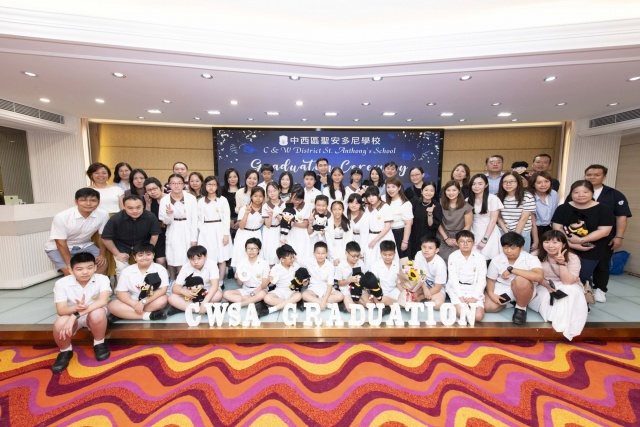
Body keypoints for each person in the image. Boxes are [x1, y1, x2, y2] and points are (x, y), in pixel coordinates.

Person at [569, 164, 632, 303]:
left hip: (605, 236)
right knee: (577, 262)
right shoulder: (576, 192)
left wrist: (619, 236)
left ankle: (600, 289)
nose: (592, 177)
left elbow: (621, 217)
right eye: (589, 175)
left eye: (597, 175)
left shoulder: (614, 194)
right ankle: (581, 288)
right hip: (577, 236)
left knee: (602, 263)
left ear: (604, 177)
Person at [51, 252, 111, 373]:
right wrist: (75, 310)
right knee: (60, 323)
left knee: (98, 313)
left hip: (91, 314)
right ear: (71, 270)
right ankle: (65, 351)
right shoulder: (61, 283)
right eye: (79, 269)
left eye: (89, 268)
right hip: (71, 315)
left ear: (95, 267)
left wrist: (75, 316)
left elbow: (103, 301)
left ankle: (99, 343)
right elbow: (61, 310)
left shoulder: (102, 279)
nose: (85, 272)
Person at [552, 180, 615, 291]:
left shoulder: (604, 209)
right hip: (567, 247)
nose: (580, 195)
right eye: (576, 192)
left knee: (583, 275)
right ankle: (566, 296)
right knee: (565, 273)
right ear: (571, 193)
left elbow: (604, 231)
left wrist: (581, 240)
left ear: (592, 193)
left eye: (585, 192)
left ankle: (584, 296)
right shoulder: (563, 208)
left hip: (592, 248)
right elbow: (557, 227)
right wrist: (570, 243)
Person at [528, 230, 588, 340]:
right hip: (543, 284)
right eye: (547, 242)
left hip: (568, 283)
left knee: (570, 290)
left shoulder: (572, 257)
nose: (550, 246)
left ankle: (570, 326)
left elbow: (568, 282)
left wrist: (561, 263)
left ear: (563, 244)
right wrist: (547, 285)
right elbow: (533, 276)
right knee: (550, 296)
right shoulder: (535, 256)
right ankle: (561, 324)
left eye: (555, 242)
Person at [45, 187, 109, 276]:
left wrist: (102, 254)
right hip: (58, 247)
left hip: (85, 245)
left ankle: (94, 285)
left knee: (102, 264)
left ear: (98, 202)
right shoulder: (61, 217)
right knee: (70, 272)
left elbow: (102, 235)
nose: (88, 204)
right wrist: (69, 263)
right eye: (83, 200)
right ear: (76, 202)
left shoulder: (103, 214)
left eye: (93, 200)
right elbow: (60, 243)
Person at [485, 232, 544, 325]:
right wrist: (491, 294)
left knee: (520, 280)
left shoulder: (531, 258)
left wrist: (513, 270)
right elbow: (490, 280)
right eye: (505, 247)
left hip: (524, 288)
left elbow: (539, 276)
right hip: (503, 287)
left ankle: (521, 308)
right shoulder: (497, 259)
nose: (508, 251)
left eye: (512, 248)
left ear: (521, 248)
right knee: (489, 307)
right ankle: (511, 303)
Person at [102, 195, 161, 279]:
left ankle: (144, 286)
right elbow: (106, 238)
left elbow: (154, 235)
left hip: (142, 244)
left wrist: (149, 251)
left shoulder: (150, 216)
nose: (135, 211)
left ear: (143, 206)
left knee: (147, 266)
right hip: (121, 245)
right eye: (130, 208)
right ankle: (122, 286)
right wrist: (117, 254)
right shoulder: (116, 218)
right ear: (124, 207)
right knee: (122, 268)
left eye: (138, 207)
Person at [106, 243, 168, 321]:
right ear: (135, 257)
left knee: (163, 300)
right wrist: (134, 304)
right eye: (140, 255)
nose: (144, 258)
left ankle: (125, 313)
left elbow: (162, 290)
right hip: (132, 300)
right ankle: (150, 315)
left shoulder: (160, 269)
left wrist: (143, 302)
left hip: (151, 300)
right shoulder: (127, 271)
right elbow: (121, 292)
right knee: (112, 305)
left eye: (148, 254)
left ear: (153, 255)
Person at [159, 174, 199, 281]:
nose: (176, 186)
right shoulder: (164, 200)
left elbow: (195, 219)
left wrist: (194, 238)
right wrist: (169, 215)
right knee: (172, 254)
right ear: (169, 185)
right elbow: (165, 221)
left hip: (187, 228)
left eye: (179, 183)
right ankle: (172, 279)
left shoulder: (191, 198)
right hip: (173, 228)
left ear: (183, 185)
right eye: (173, 183)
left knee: (187, 255)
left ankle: (187, 280)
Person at [167, 245, 222, 316]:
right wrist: (184, 291)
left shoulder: (211, 264)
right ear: (189, 259)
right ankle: (206, 309)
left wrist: (204, 302)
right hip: (192, 295)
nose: (196, 262)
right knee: (171, 298)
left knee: (218, 295)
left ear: (205, 256)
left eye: (199, 258)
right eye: (192, 259)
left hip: (207, 293)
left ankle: (186, 308)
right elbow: (175, 288)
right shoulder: (186, 267)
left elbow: (214, 286)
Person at [446, 231, 487, 321]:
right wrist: (460, 296)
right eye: (462, 241)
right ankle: (457, 305)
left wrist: (475, 297)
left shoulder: (480, 257)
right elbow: (453, 278)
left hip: (473, 288)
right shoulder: (453, 256)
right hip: (457, 288)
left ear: (474, 243)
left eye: (468, 241)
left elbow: (482, 279)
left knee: (478, 317)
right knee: (462, 314)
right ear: (457, 243)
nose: (465, 244)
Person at [198, 176, 233, 280]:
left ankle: (221, 280)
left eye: (213, 184)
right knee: (208, 257)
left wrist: (226, 234)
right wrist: (202, 229)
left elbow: (226, 218)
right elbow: (198, 218)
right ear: (204, 186)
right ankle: (209, 280)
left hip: (220, 229)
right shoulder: (201, 201)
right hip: (206, 230)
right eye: (209, 184)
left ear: (217, 186)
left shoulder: (223, 200)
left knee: (221, 257)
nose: (211, 187)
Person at [257, 244, 304, 317]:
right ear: (282, 259)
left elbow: (301, 279)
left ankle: (271, 309)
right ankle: (293, 303)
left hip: (292, 291)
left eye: (293, 257)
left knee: (298, 295)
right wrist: (269, 280)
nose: (293, 259)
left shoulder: (296, 266)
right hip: (280, 291)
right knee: (267, 298)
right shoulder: (276, 268)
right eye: (290, 258)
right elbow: (272, 283)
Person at [497, 171, 536, 252]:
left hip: (522, 233)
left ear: (518, 182)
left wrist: (514, 236)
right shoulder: (498, 196)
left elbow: (523, 219)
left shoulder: (527, 196)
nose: (508, 184)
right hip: (503, 232)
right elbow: (498, 217)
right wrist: (507, 233)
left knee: (521, 257)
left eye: (511, 181)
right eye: (505, 182)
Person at [223, 238, 270, 306]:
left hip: (259, 290)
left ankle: (241, 304)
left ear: (259, 250)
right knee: (226, 294)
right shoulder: (242, 263)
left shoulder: (264, 263)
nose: (251, 251)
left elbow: (264, 285)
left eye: (254, 248)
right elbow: (240, 283)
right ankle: (252, 301)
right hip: (245, 290)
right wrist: (238, 278)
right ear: (246, 250)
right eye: (249, 248)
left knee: (262, 294)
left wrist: (251, 294)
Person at [468, 174, 503, 261]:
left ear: (486, 185)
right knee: (474, 259)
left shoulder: (493, 199)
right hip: (474, 231)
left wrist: (484, 239)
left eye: (480, 184)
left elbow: (493, 220)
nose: (476, 186)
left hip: (490, 232)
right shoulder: (468, 200)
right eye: (474, 184)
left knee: (489, 259)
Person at [437, 180, 473, 262]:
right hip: (443, 236)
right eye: (448, 190)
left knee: (456, 261)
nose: (451, 193)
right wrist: (446, 238)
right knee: (440, 261)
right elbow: (438, 223)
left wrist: (457, 239)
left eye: (454, 190)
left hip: (459, 236)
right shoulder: (440, 204)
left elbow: (468, 225)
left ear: (459, 191)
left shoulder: (466, 207)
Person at [301, 242, 343, 311]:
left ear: (326, 254)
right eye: (318, 253)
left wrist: (324, 300)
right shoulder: (309, 262)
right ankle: (325, 304)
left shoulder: (330, 266)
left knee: (340, 296)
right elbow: (297, 260)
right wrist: (323, 302)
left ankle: (316, 302)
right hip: (313, 288)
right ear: (314, 253)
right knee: (304, 295)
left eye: (323, 253)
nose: (320, 256)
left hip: (326, 289)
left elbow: (330, 285)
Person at [362, 185, 396, 270]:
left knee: (385, 260)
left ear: (379, 195)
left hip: (384, 237)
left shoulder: (385, 207)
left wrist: (375, 240)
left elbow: (387, 227)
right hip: (371, 237)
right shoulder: (367, 209)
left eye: (373, 195)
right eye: (368, 196)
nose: (371, 198)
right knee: (370, 262)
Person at [231, 187, 265, 268]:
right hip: (243, 234)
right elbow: (241, 226)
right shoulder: (244, 208)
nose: (258, 198)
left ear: (263, 198)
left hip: (256, 234)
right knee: (242, 257)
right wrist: (246, 213)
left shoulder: (265, 209)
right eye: (255, 196)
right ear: (251, 197)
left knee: (256, 258)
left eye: (260, 196)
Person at [370, 240, 408, 309]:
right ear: (380, 253)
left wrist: (404, 292)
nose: (387, 257)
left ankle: (391, 306)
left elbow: (398, 283)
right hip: (381, 292)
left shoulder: (397, 265)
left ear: (395, 253)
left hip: (394, 290)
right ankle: (399, 304)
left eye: (390, 255)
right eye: (385, 255)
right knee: (378, 300)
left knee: (406, 296)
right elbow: (373, 284)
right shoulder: (376, 265)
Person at [409, 181, 441, 260]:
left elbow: (431, 226)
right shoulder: (414, 202)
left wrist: (430, 214)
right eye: (426, 190)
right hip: (413, 238)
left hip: (428, 240)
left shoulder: (436, 205)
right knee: (412, 261)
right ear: (421, 191)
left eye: (432, 190)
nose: (428, 193)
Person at [412, 236, 447, 309]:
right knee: (409, 296)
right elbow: (417, 273)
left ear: (436, 250)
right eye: (424, 247)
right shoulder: (419, 254)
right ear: (421, 247)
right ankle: (424, 298)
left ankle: (422, 298)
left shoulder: (440, 264)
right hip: (421, 283)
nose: (426, 250)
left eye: (430, 248)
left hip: (435, 287)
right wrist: (424, 288)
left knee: (437, 304)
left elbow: (437, 287)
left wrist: (421, 297)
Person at [385, 176, 414, 259]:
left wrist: (405, 241)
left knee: (402, 259)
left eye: (393, 187)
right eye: (388, 187)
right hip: (385, 233)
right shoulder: (383, 199)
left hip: (399, 234)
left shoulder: (405, 203)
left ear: (399, 187)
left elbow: (408, 224)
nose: (390, 189)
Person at [335, 241, 366, 312]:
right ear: (346, 253)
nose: (356, 258)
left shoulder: (360, 263)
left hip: (359, 287)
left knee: (369, 304)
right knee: (351, 309)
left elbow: (364, 278)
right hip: (346, 288)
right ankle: (347, 301)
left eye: (358, 256)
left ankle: (354, 300)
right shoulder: (341, 265)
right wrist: (349, 280)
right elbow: (339, 283)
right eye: (353, 256)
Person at [143, 177, 168, 267]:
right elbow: (147, 218)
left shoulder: (169, 198)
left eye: (154, 189)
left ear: (160, 188)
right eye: (149, 190)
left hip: (170, 230)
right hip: (158, 233)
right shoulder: (148, 200)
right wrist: (148, 204)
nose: (152, 192)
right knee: (160, 260)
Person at [531, 171, 559, 246]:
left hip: (550, 228)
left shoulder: (554, 194)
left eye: (546, 181)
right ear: (533, 184)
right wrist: (536, 240)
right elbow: (532, 221)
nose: (543, 185)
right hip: (533, 229)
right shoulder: (529, 196)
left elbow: (555, 213)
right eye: (539, 182)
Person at [286, 184, 312, 261]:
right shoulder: (285, 204)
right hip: (289, 234)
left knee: (302, 257)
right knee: (289, 256)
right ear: (290, 195)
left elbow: (305, 224)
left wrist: (294, 223)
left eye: (299, 199)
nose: (297, 202)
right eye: (295, 199)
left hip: (302, 235)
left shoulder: (306, 206)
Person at [262, 181, 285, 265]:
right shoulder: (265, 206)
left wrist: (280, 218)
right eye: (269, 191)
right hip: (269, 232)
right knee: (270, 255)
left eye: (274, 190)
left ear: (279, 190)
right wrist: (270, 216)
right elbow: (268, 225)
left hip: (279, 230)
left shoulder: (284, 204)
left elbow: (286, 223)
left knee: (280, 254)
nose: (272, 193)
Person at [221, 168, 240, 241]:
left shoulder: (243, 189)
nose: (233, 179)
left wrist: (239, 221)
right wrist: (228, 220)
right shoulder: (221, 191)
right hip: (226, 221)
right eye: (230, 177)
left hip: (241, 221)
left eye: (235, 177)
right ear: (226, 178)